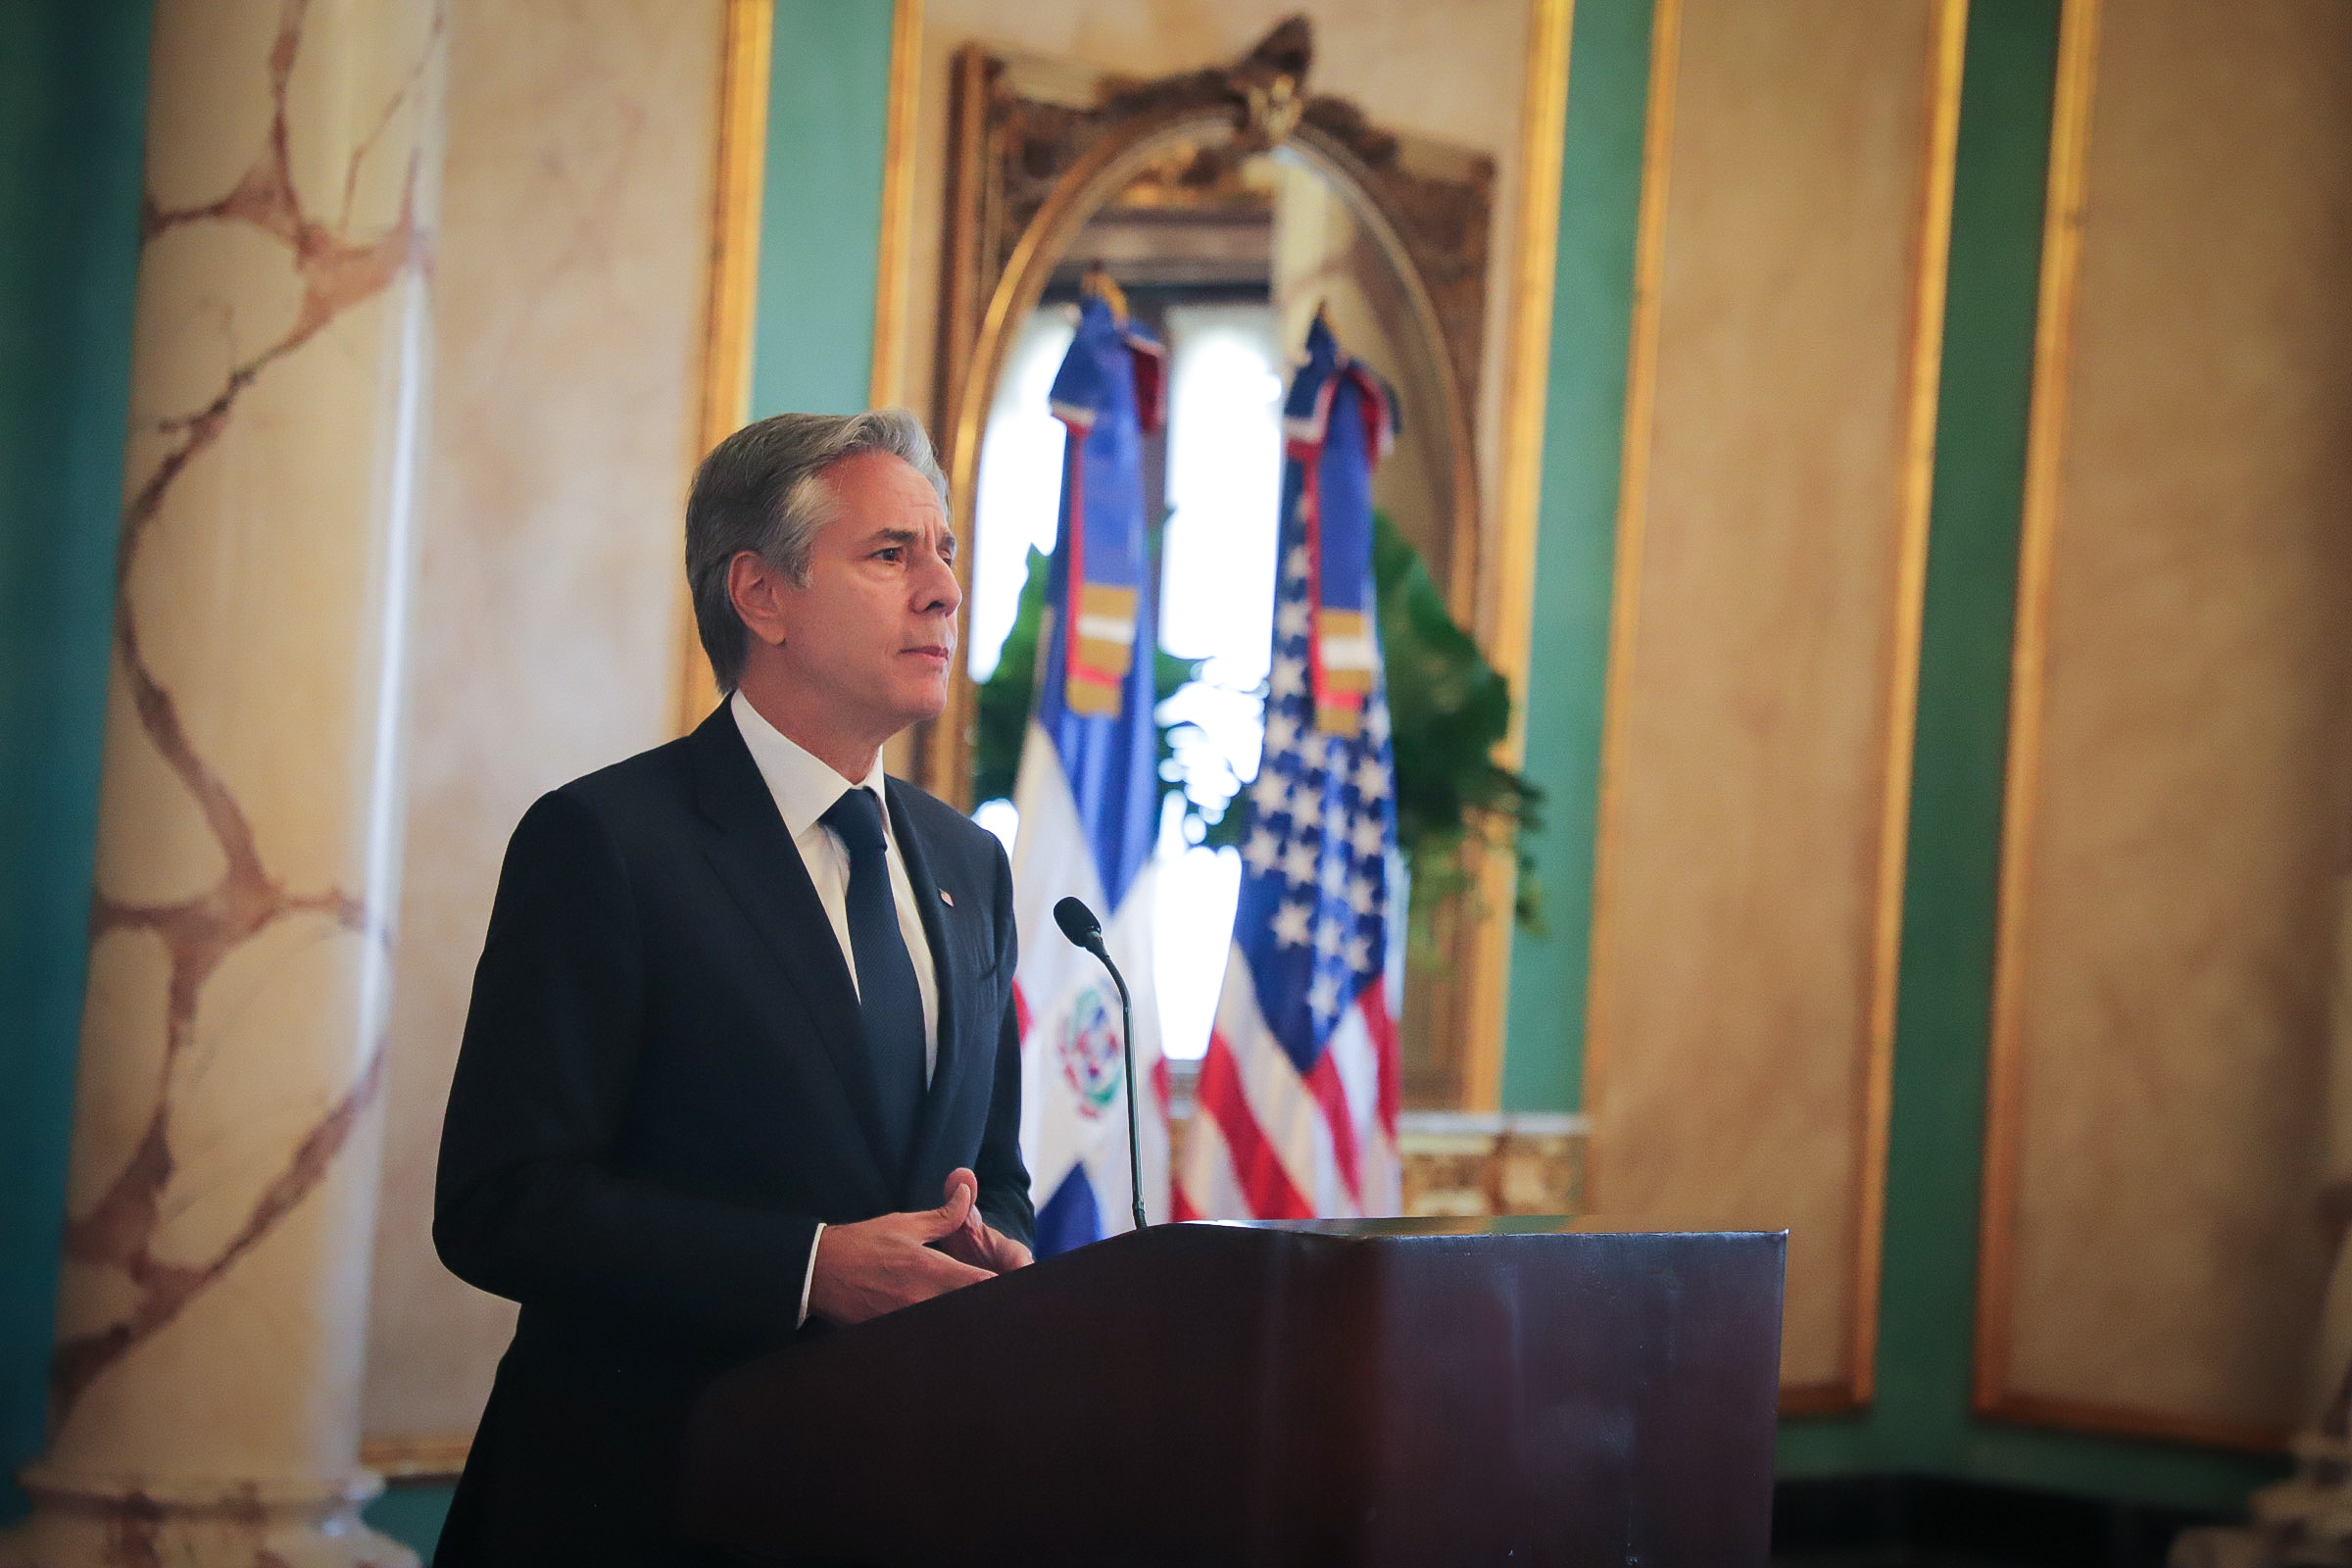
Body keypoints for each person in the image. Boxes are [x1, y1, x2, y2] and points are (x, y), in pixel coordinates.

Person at [430, 410, 1035, 1565]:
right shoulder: (606, 842)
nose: (945, 590)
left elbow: (996, 1172)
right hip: (641, 1506)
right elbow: (501, 1202)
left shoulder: (972, 866)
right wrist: (807, 1267)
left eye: (946, 551)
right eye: (892, 553)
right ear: (761, 595)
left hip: (898, 1501)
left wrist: (986, 1246)